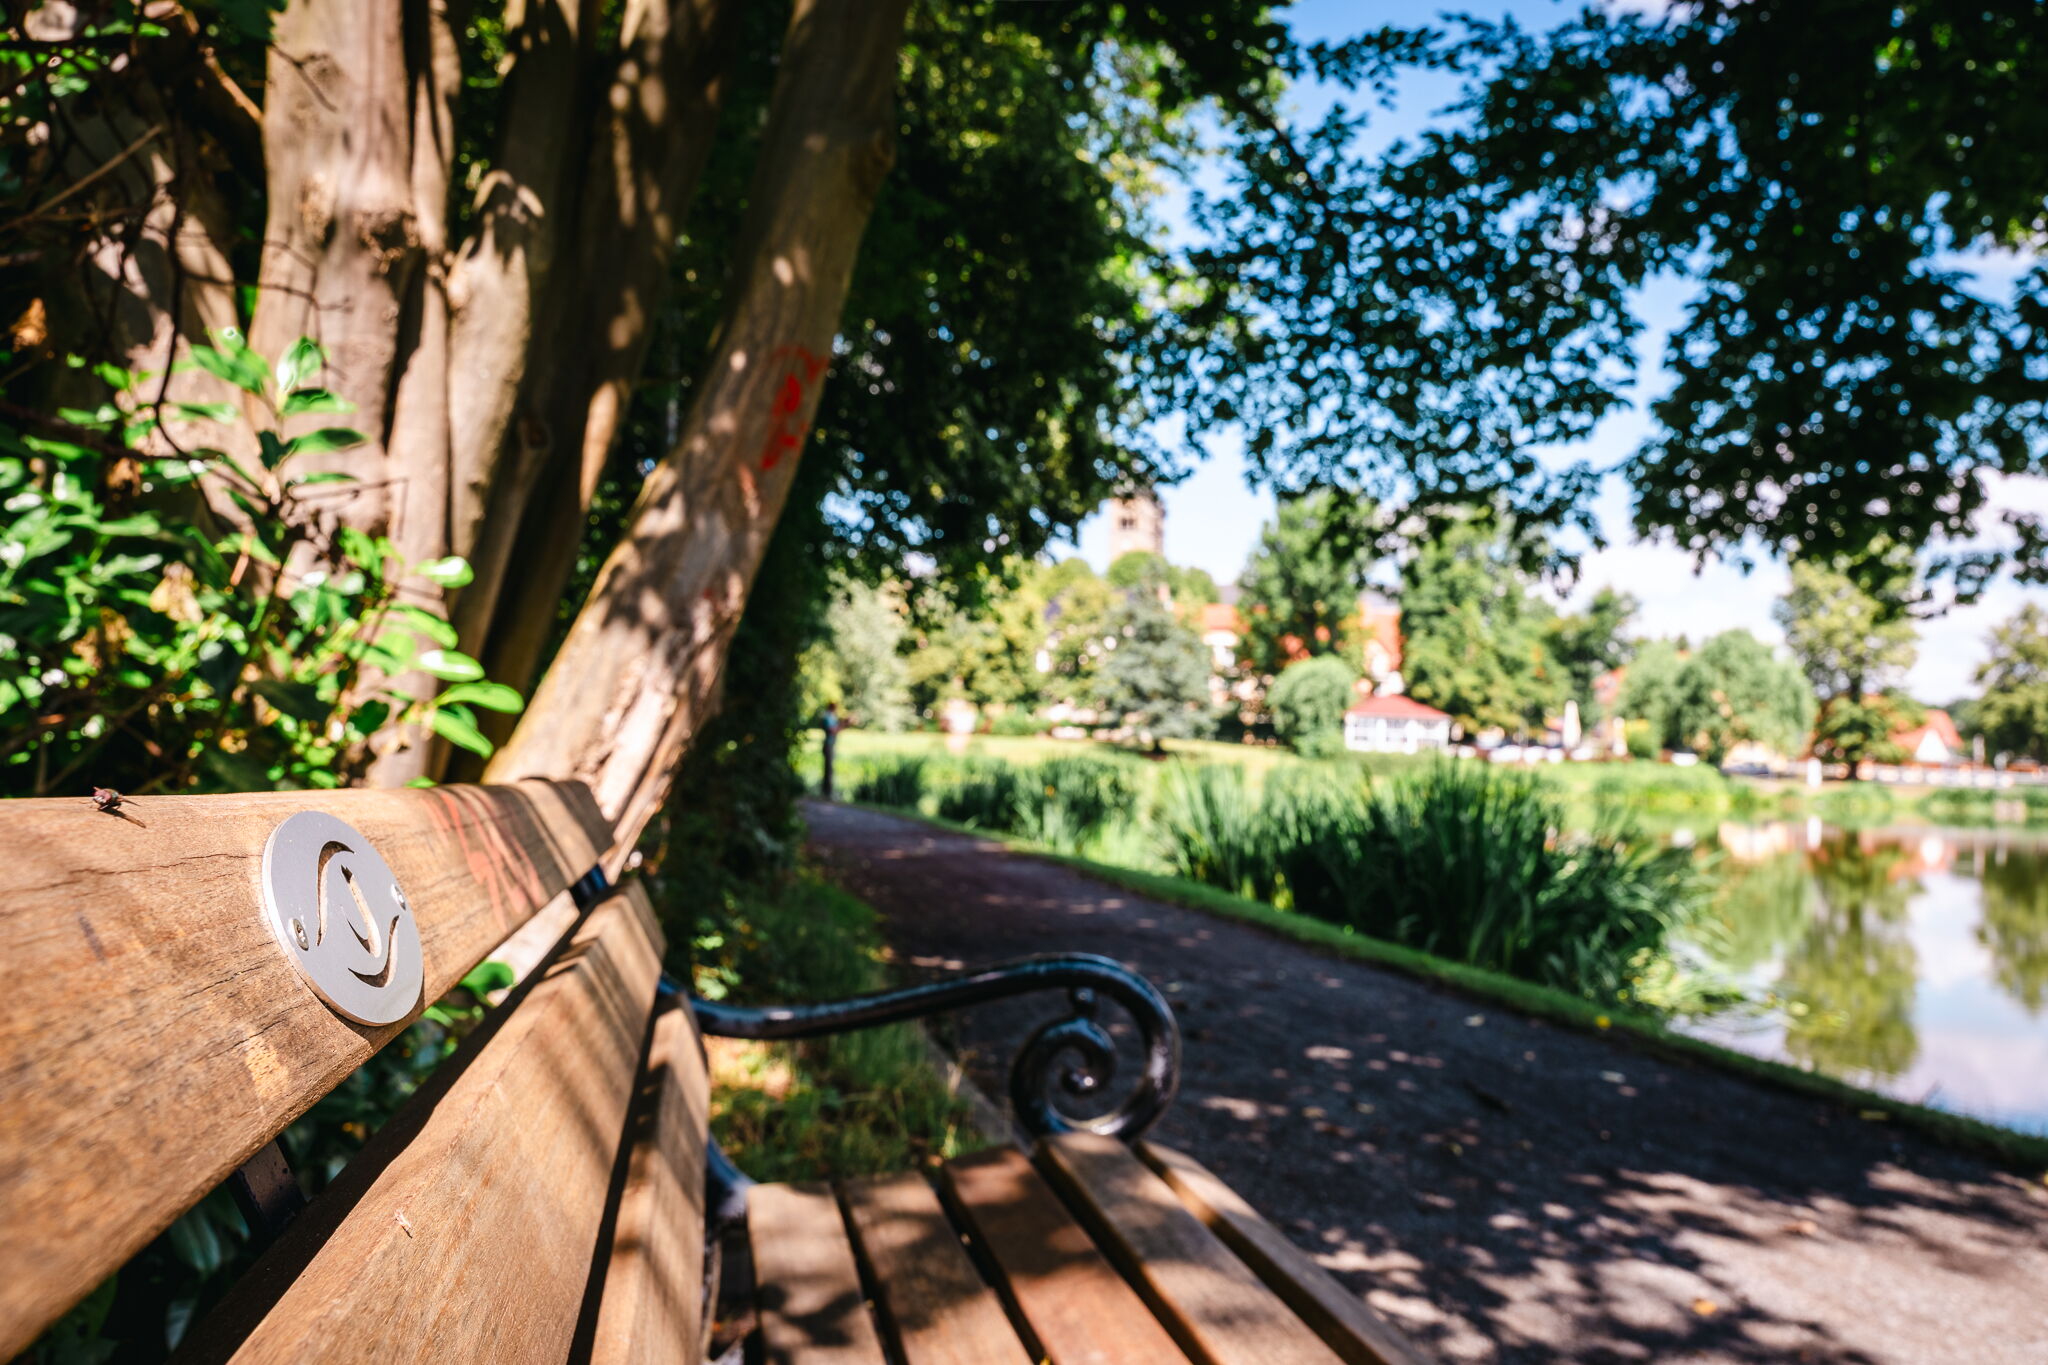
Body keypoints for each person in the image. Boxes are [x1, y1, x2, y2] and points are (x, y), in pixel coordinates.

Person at [819, 701, 842, 800]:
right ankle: (827, 793)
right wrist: (844, 725)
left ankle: (827, 792)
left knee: (829, 769)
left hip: (831, 744)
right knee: (829, 769)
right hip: (828, 745)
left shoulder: (831, 716)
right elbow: (832, 730)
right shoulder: (828, 717)